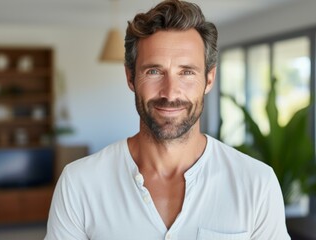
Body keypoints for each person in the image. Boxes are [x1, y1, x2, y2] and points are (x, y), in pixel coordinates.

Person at [45, 0, 290, 239]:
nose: (170, 93)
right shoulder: (80, 183)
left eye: (186, 72)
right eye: (154, 71)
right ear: (130, 78)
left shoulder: (257, 183)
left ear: (209, 79)